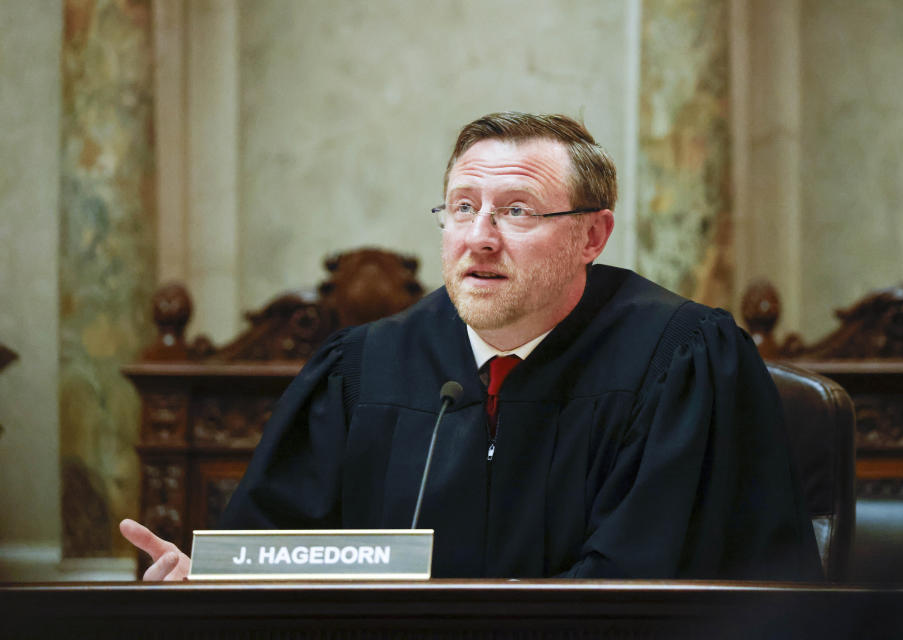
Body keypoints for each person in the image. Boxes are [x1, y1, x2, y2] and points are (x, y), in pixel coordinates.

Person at [121, 111, 822, 581]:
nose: (480, 237)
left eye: (516, 211)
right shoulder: (364, 369)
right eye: (462, 208)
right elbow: (277, 556)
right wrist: (213, 580)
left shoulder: (682, 361)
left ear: (592, 236)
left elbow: (651, 588)